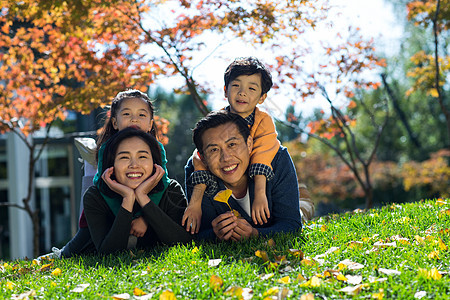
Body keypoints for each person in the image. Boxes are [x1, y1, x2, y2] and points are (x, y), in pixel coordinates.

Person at [37, 89, 171, 259]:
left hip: (145, 208)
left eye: (141, 115)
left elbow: (162, 184)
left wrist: (144, 217)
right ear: (115, 122)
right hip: (109, 210)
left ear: (151, 124)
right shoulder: (107, 149)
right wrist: (124, 217)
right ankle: (55, 256)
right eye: (127, 113)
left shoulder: (157, 149)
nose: (134, 118)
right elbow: (102, 186)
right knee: (78, 247)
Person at [182, 57, 280, 234]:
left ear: (262, 97)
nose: (242, 93)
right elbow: (200, 157)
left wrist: (260, 193)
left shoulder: (264, 123)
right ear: (226, 91)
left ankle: (304, 204)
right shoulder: (216, 122)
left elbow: (263, 154)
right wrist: (195, 204)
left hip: (259, 190)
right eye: (236, 86)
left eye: (251, 88)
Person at [185, 110, 302, 241]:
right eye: (214, 150)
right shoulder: (196, 172)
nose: (226, 158)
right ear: (203, 158)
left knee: (305, 206)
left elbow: (292, 225)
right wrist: (216, 234)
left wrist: (255, 234)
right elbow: (196, 234)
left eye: (232, 145)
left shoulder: (277, 159)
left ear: (249, 144)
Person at [84, 127, 191, 254]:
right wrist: (128, 199)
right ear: (111, 165)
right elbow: (109, 253)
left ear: (154, 163)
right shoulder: (95, 197)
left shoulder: (172, 190)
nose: (134, 165)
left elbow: (184, 243)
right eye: (124, 157)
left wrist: (143, 197)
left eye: (142, 156)